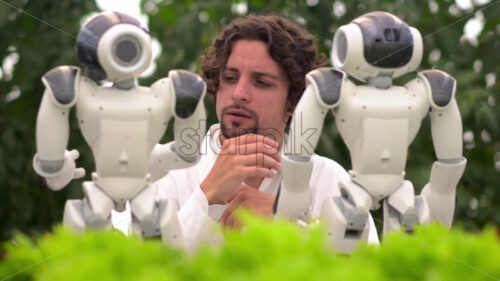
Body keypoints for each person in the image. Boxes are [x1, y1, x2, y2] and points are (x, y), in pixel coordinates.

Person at [156, 14, 379, 249]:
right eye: (230, 78)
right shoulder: (167, 172)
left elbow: (368, 268)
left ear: (295, 101)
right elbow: (140, 266)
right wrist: (206, 195)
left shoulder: (329, 180)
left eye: (261, 82)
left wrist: (286, 227)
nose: (239, 93)